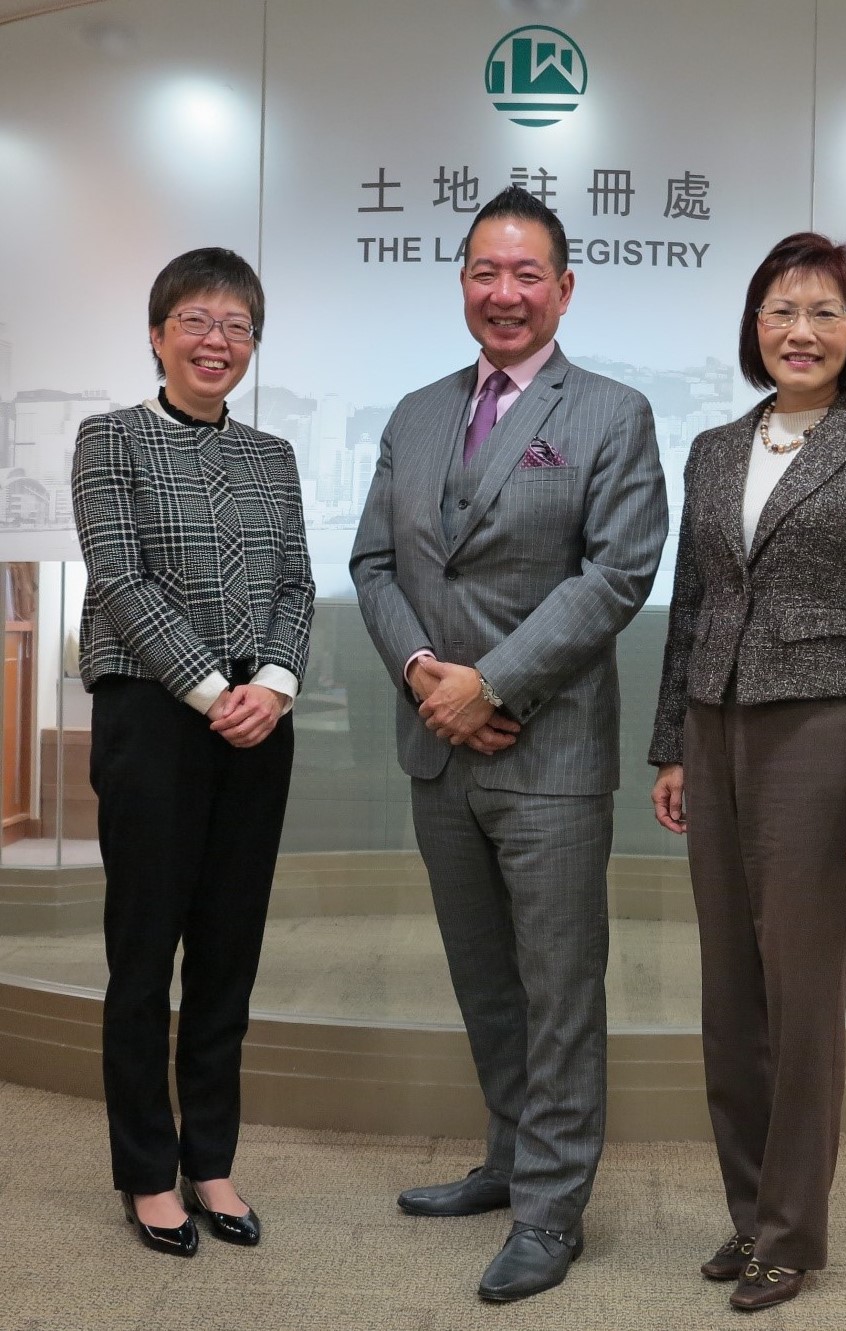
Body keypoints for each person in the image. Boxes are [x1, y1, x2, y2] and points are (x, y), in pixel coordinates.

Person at [350, 186, 667, 1303]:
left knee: (559, 986)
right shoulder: (417, 408)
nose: (506, 292)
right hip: (439, 746)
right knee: (487, 981)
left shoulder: (613, 413)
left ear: (566, 288)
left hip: (550, 757)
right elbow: (374, 567)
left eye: (528, 273)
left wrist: (495, 680)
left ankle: (551, 1210)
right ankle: (508, 1157)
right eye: (487, 271)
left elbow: (617, 573)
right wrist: (427, 677)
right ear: (462, 283)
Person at [649, 232, 846, 1311]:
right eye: (780, 310)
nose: (799, 330)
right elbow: (691, 605)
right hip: (715, 725)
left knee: (803, 994)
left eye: (823, 311)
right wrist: (673, 739)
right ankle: (749, 1214)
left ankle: (795, 1232)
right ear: (753, 326)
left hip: (822, 732)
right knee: (731, 992)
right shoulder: (718, 447)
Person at [71, 248, 315, 1257]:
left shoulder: (272, 455)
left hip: (260, 722)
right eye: (197, 321)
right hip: (155, 720)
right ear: (158, 330)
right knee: (144, 954)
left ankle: (209, 1156)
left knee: (228, 953)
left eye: (237, 327)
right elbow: (120, 580)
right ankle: (145, 1170)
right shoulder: (109, 438)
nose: (217, 342)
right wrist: (216, 691)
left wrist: (277, 687)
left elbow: (296, 583)